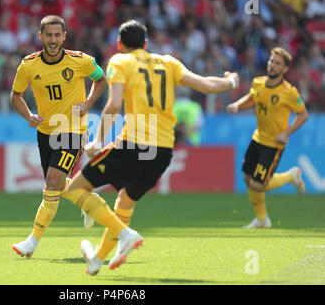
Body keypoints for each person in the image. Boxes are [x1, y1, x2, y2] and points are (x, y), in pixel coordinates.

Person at [66, 19, 240, 275]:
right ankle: (98, 260)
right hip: (162, 152)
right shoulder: (168, 62)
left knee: (74, 189)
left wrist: (98, 140)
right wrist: (232, 82)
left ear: (119, 44)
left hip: (133, 144)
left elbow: (114, 105)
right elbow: (206, 85)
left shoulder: (119, 61)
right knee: (124, 201)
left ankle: (124, 234)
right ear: (146, 44)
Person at [10, 15, 142, 264]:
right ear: (41, 37)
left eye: (57, 35)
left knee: (52, 182)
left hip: (72, 131)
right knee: (59, 187)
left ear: (63, 37)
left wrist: (88, 103)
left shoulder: (80, 61)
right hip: (46, 132)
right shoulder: (28, 65)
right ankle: (90, 201)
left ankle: (32, 242)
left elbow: (101, 79)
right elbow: (15, 95)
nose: (52, 40)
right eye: (48, 35)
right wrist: (29, 115)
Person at [226, 47, 308, 229]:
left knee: (258, 185)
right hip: (258, 139)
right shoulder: (259, 83)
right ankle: (262, 220)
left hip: (274, 144)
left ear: (285, 69)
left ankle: (291, 175)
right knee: (248, 179)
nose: (272, 65)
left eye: (278, 63)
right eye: (271, 61)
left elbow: (303, 115)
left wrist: (286, 133)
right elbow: (251, 98)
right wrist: (237, 106)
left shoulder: (289, 92)